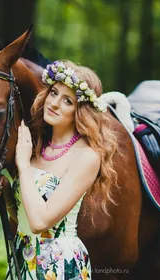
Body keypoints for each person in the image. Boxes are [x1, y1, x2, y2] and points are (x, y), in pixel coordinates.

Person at [8, 60, 119, 280]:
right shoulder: (38, 146)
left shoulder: (86, 156)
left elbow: (40, 223)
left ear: (81, 110)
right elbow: (24, 215)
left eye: (67, 100)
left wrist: (22, 165)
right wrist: (4, 193)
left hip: (57, 265)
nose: (55, 103)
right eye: (54, 93)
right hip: (22, 255)